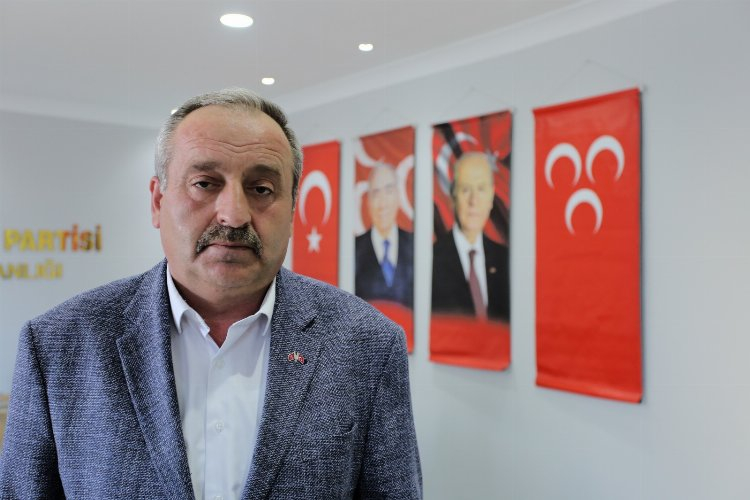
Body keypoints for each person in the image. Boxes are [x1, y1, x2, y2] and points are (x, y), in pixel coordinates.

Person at [0, 89, 422, 499]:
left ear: (293, 209)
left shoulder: (367, 344)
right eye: (204, 183)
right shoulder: (57, 345)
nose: (234, 215)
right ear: (157, 201)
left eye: (261, 189)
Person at [431, 152, 510, 321]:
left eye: (481, 189)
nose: (474, 200)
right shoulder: (430, 261)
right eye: (465, 189)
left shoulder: (505, 261)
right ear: (453, 197)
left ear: (491, 197)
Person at [355, 163, 414, 308]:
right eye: (376, 193)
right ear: (368, 202)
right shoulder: (353, 249)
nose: (382, 203)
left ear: (398, 197)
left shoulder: (415, 245)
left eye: (389, 191)